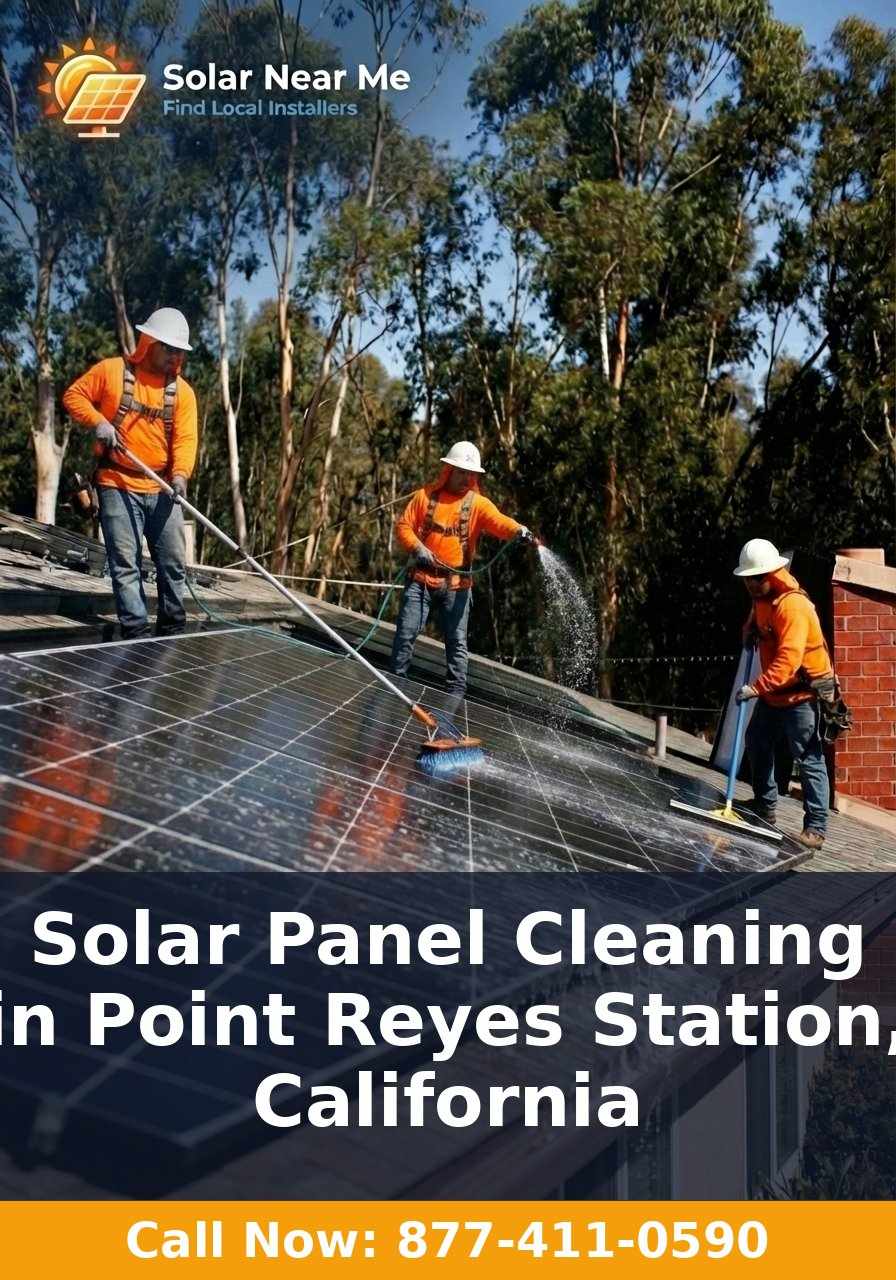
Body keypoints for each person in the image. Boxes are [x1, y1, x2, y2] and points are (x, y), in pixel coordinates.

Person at [63, 308, 197, 640]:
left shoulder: (182, 393)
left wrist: (180, 476)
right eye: (170, 349)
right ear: (149, 342)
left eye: (180, 351)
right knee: (125, 562)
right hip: (116, 482)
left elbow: (185, 439)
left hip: (163, 487)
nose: (176, 357)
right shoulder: (111, 372)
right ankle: (136, 635)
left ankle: (172, 632)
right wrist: (99, 422)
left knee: (173, 564)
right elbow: (73, 396)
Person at [391, 441, 534, 697]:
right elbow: (404, 526)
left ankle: (456, 695)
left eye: (470, 474)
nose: (466, 478)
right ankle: (395, 683)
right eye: (461, 472)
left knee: (457, 642)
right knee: (406, 633)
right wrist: (417, 548)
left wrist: (518, 530)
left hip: (456, 587)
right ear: (448, 470)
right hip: (421, 580)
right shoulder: (425, 496)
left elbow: (500, 522)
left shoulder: (478, 504)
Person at [733, 538, 833, 850]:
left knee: (808, 758)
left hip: (801, 694)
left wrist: (755, 688)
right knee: (757, 742)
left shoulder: (793, 606)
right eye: (747, 579)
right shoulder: (761, 597)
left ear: (772, 574)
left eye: (756, 578)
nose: (750, 584)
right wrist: (749, 630)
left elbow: (789, 661)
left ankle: (816, 827)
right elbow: (756, 621)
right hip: (775, 693)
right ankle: (765, 806)